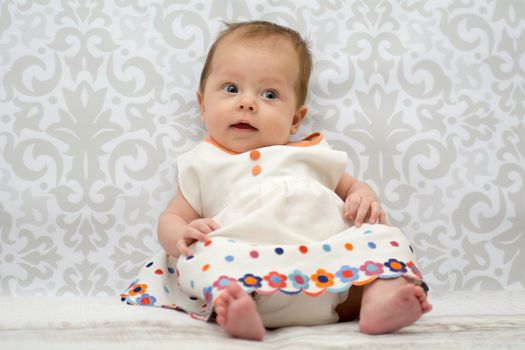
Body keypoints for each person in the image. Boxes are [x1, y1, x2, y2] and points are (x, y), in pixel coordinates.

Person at [122, 20, 432, 341]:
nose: (247, 103)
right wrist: (181, 235)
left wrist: (362, 196)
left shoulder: (313, 154)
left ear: (295, 119)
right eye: (231, 89)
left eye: (269, 94)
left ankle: (379, 301)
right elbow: (172, 217)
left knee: (385, 238)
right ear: (203, 105)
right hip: (248, 266)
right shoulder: (202, 163)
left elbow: (352, 186)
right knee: (199, 259)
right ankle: (237, 307)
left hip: (333, 266)